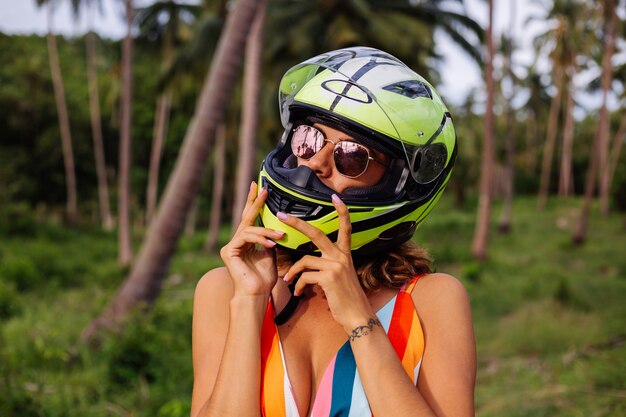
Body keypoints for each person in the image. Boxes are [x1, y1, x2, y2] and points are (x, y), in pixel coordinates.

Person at [191, 47, 476, 417]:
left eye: (352, 156)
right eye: (308, 139)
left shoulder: (431, 302)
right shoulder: (225, 290)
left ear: (396, 183)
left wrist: (360, 320)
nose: (316, 164)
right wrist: (248, 303)